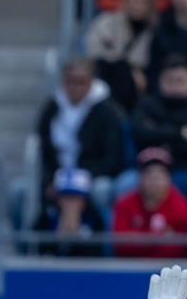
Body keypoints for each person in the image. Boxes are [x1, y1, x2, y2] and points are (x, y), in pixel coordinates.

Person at [36, 57, 125, 213]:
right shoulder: (52, 108)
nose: (74, 87)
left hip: (92, 176)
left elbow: (112, 158)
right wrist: (51, 179)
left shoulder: (106, 110)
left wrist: (80, 178)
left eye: (80, 82)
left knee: (102, 190)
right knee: (20, 192)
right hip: (58, 174)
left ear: (91, 83)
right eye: (70, 81)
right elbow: (45, 150)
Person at [129, 54, 187, 202]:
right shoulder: (147, 104)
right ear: (159, 81)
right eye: (169, 80)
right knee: (124, 185)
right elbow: (140, 134)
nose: (175, 86)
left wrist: (164, 140)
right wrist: (179, 133)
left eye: (180, 80)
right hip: (148, 171)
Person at [111, 146, 187, 258]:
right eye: (149, 174)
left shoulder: (181, 205)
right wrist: (159, 237)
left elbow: (180, 248)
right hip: (132, 265)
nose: (154, 180)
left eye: (160, 175)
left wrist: (138, 238)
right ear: (140, 177)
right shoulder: (124, 203)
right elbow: (121, 245)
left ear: (168, 178)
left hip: (169, 265)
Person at [85, 0, 158, 111]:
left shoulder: (154, 30)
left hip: (138, 85)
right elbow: (94, 53)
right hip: (106, 75)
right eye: (132, 0)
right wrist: (130, 68)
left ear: (150, 4)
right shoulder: (106, 22)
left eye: (141, 1)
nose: (136, 5)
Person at [31, 167, 106, 257]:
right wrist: (58, 236)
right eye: (66, 197)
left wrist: (77, 235)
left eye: (75, 197)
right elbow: (35, 248)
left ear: (84, 201)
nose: (70, 202)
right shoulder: (48, 216)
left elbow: (95, 254)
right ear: (58, 199)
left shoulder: (94, 218)